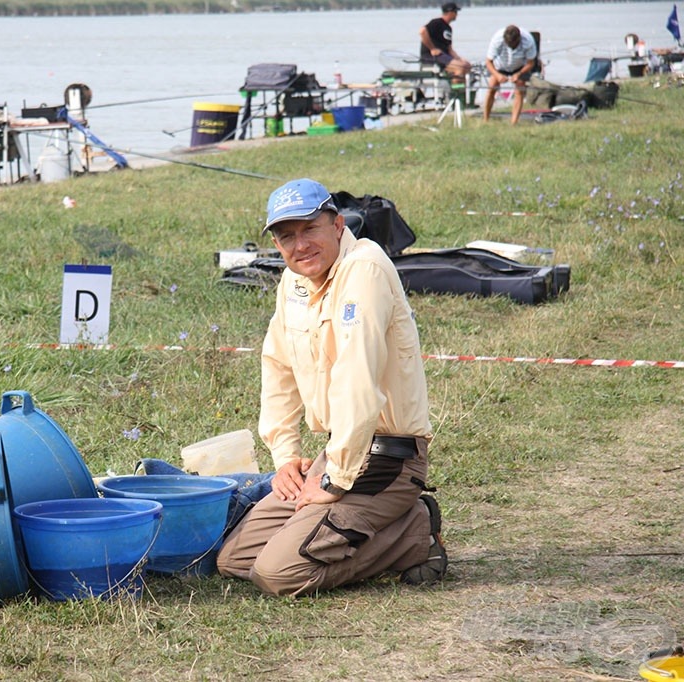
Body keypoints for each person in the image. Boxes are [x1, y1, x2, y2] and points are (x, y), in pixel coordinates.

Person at [215, 179, 445, 597]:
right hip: (337, 449)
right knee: (234, 561)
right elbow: (277, 366)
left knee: (276, 574)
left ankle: (414, 532)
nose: (299, 245)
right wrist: (286, 458)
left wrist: (333, 482)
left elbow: (359, 381)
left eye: (309, 229)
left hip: (388, 458)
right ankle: (366, 526)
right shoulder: (294, 281)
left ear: (338, 224)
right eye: (286, 237)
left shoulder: (366, 269)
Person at [483, 25, 538, 125]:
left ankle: (513, 123)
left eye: (514, 44)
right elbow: (488, 61)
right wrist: (497, 75)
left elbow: (530, 63)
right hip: (499, 66)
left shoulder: (528, 40)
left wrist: (519, 73)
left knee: (519, 90)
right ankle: (486, 120)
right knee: (491, 88)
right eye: (509, 44)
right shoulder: (497, 39)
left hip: (520, 66)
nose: (511, 46)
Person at [419, 2, 472, 78]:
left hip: (444, 56)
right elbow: (422, 31)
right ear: (450, 12)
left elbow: (450, 49)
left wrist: (459, 59)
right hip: (431, 56)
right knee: (460, 67)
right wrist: (432, 49)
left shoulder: (448, 28)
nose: (457, 14)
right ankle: (456, 89)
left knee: (467, 66)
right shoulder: (436, 22)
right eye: (455, 12)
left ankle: (459, 87)